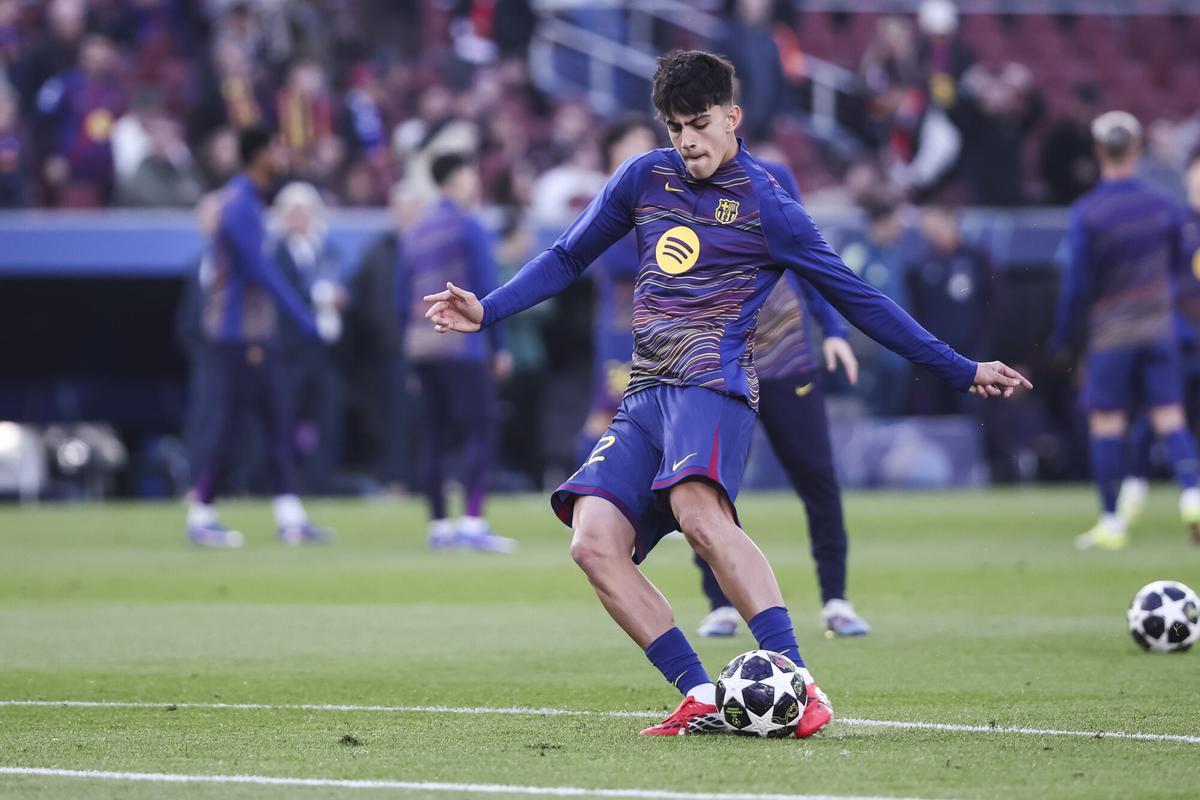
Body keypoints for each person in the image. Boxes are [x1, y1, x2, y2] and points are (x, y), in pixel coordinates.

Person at [424, 51, 1029, 738]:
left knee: (697, 512)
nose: (687, 140)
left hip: (713, 386)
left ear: (732, 117)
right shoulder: (644, 177)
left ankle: (801, 686)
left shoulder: (771, 206)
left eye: (700, 123)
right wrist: (489, 309)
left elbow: (861, 300)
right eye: (676, 126)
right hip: (645, 393)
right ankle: (700, 694)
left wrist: (961, 366)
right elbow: (567, 256)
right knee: (592, 543)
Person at [694, 158, 870, 640]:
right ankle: (721, 604)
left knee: (817, 476)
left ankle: (836, 600)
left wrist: (832, 329)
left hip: (787, 356)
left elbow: (810, 258)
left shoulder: (773, 177)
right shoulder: (673, 186)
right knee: (708, 483)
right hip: (719, 365)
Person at [1050, 111, 1200, 550]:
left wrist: (1065, 339)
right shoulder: (1164, 206)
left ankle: (1111, 522)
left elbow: (1075, 285)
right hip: (1159, 328)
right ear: (1136, 149)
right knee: (1171, 416)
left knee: (1107, 423)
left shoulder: (1088, 211)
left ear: (1099, 151)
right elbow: (1178, 268)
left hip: (1111, 333)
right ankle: (1192, 493)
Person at [185, 125, 335, 548]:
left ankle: (289, 516)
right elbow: (259, 270)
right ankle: (202, 513)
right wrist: (303, 317)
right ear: (258, 154)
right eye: (274, 147)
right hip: (238, 333)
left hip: (252, 331)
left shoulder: (246, 201)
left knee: (274, 419)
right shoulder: (240, 204)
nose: (281, 155)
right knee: (232, 425)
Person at [403, 152, 516, 553]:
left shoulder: (415, 230)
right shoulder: (470, 226)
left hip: (420, 344)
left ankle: (438, 524)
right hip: (462, 346)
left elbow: (403, 294)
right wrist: (498, 346)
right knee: (481, 428)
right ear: (457, 178)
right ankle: (472, 520)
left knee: (432, 434)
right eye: (471, 174)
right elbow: (486, 290)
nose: (475, 181)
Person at [1116, 148, 1200, 530]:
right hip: (1180, 339)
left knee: (1164, 415)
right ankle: (1139, 491)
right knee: (1160, 414)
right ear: (1188, 178)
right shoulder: (1173, 223)